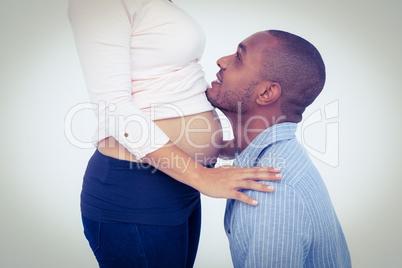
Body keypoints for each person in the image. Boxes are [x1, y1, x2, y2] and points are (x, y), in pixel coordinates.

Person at [68, 0, 281, 267]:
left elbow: (171, 87)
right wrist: (201, 176)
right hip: (138, 190)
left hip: (183, 184)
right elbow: (112, 107)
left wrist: (221, 145)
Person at [206, 30, 351, 267]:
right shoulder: (277, 154)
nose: (222, 61)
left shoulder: (272, 196)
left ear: (266, 93)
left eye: (239, 58)